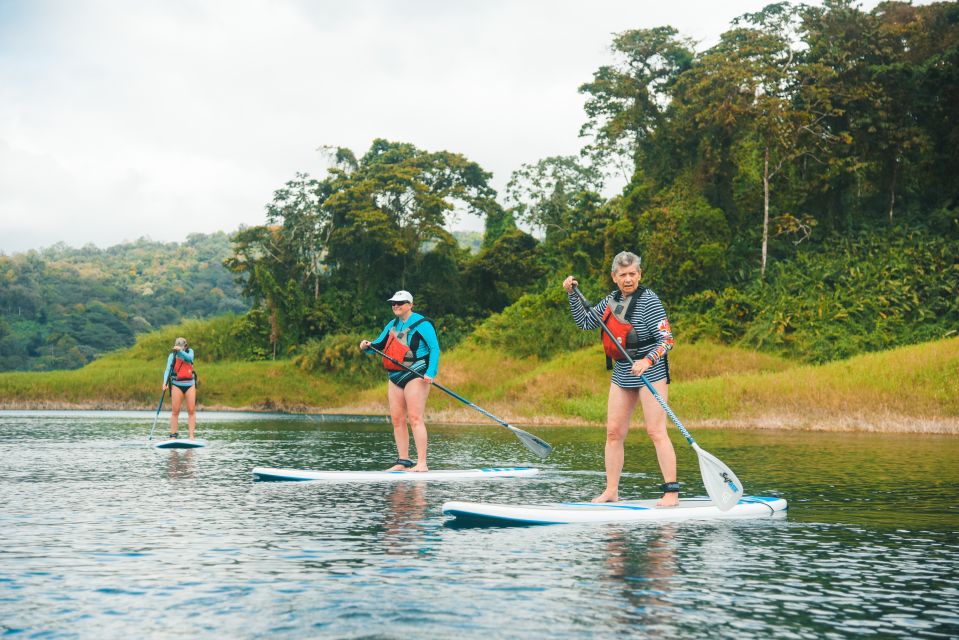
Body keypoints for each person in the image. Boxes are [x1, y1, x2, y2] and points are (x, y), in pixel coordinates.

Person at [563, 251, 677, 506]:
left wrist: (647, 360)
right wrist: (572, 295)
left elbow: (667, 340)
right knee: (613, 433)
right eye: (623, 275)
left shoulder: (650, 301)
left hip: (652, 369)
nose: (628, 279)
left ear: (639, 274)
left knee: (656, 431)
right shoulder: (610, 301)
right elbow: (584, 322)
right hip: (623, 369)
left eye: (632, 274)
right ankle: (611, 490)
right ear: (614, 277)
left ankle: (671, 492)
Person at [359, 290, 441, 472]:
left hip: (416, 375)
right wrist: (366, 345)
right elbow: (378, 346)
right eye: (393, 303)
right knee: (397, 419)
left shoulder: (423, 324)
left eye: (400, 303)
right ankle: (403, 461)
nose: (396, 306)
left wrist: (431, 372)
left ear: (410, 305)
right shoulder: (392, 324)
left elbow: (435, 349)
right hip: (395, 377)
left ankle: (422, 464)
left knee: (415, 418)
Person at [162, 337, 197, 440]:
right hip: (177, 384)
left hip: (190, 384)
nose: (180, 349)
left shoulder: (190, 352)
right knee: (175, 411)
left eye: (182, 347)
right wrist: (165, 382)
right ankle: (173, 436)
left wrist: (180, 351)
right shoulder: (172, 356)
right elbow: (168, 369)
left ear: (185, 346)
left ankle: (191, 436)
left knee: (191, 410)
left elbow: (189, 359)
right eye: (178, 347)